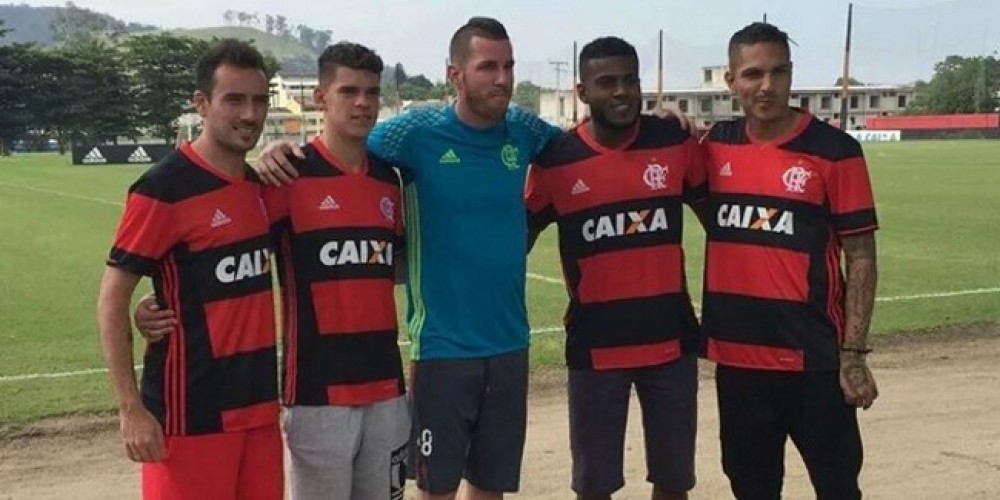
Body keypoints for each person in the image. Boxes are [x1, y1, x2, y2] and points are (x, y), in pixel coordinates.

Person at [255, 17, 563, 500]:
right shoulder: (413, 135)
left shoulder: (525, 129)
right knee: (434, 486)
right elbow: (344, 149)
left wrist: (667, 124)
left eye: (508, 66)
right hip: (441, 347)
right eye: (487, 67)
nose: (502, 78)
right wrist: (281, 149)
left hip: (510, 343)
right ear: (455, 75)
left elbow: (589, 145)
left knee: (490, 485)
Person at [135, 42, 410, 499]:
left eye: (371, 92)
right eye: (348, 91)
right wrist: (156, 302)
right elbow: (223, 255)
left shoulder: (388, 180)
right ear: (321, 98)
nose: (362, 102)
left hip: (388, 389)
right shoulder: (285, 177)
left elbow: (390, 266)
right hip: (318, 396)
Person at [699, 22, 880, 500]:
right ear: (731, 80)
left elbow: (860, 254)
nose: (767, 86)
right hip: (737, 362)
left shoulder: (836, 152)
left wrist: (854, 354)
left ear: (791, 74)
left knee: (838, 486)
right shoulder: (711, 147)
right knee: (752, 488)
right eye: (753, 73)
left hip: (813, 359)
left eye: (779, 72)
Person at [96, 39, 282, 500]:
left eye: (259, 100)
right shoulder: (163, 189)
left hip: (259, 410)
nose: (249, 114)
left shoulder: (258, 186)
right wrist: (130, 410)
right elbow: (112, 297)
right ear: (201, 104)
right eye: (234, 99)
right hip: (189, 414)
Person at [526, 36, 704, 500]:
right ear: (583, 92)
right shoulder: (557, 160)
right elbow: (514, 240)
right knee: (594, 485)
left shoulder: (674, 140)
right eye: (608, 83)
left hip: (671, 343)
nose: (622, 92)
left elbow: (724, 217)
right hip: (596, 346)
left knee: (674, 481)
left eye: (630, 80)